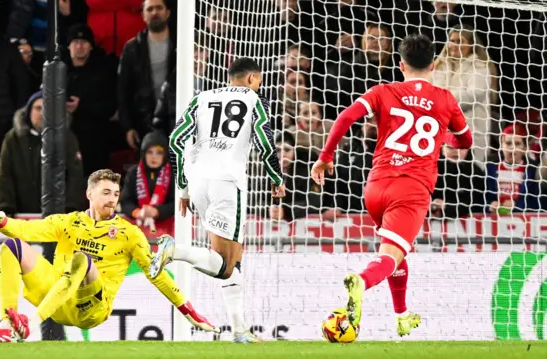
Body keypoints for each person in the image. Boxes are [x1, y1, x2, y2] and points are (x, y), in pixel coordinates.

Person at [311, 34, 473, 336]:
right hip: (410, 189)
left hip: (375, 186)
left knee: (396, 252)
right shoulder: (445, 98)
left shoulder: (383, 91)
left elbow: (346, 117)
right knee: (388, 256)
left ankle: (401, 315)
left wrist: (325, 156)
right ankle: (362, 280)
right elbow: (466, 140)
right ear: (434, 64)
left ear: (400, 65)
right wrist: (445, 137)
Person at [0, 169, 217, 343]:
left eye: (116, 193)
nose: (113, 199)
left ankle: (31, 322)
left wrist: (188, 311)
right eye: (106, 192)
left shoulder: (129, 233)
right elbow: (27, 230)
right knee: (12, 247)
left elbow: (156, 272)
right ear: (89, 194)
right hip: (57, 299)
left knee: (82, 259)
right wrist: (0, 219)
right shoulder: (69, 221)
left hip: (91, 308)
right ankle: (6, 327)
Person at [149, 58, 286, 343]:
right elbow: (264, 139)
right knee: (225, 265)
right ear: (251, 79)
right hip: (228, 183)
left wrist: (183, 189)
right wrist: (277, 178)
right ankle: (175, 251)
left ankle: (239, 331)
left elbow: (175, 140)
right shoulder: (254, 99)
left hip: (199, 182)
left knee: (232, 261)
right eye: (258, 80)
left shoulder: (203, 97)